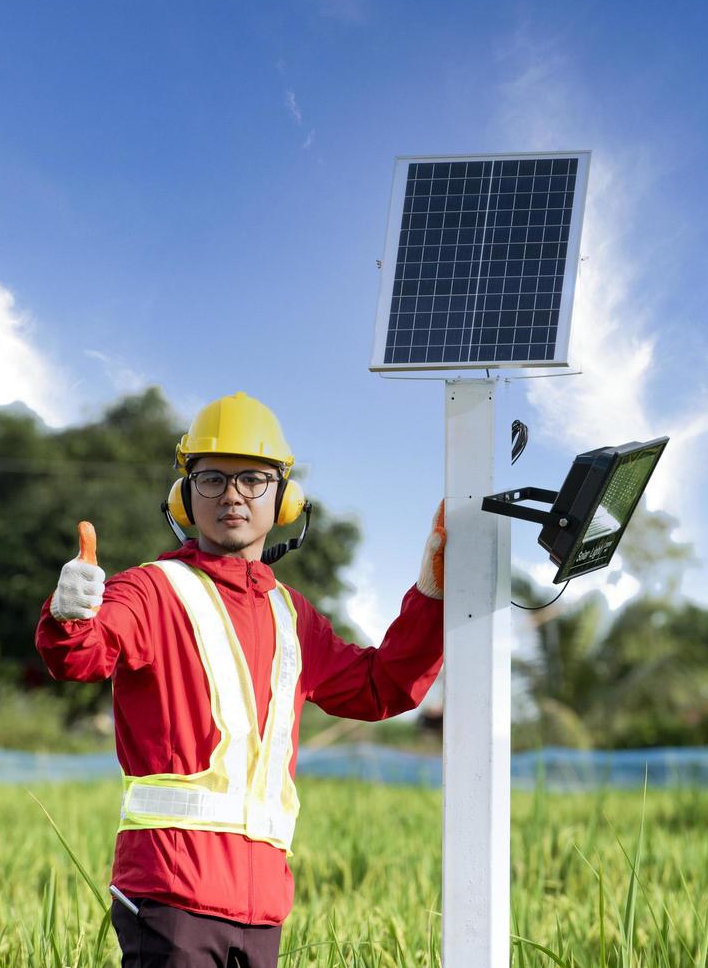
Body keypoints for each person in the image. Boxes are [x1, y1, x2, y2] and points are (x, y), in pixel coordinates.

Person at [36, 391, 445, 967]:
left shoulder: (293, 614)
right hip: (171, 891)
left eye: (253, 478)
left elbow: (381, 687)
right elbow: (82, 654)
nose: (231, 494)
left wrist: (432, 595)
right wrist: (69, 616)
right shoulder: (151, 589)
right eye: (211, 478)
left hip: (263, 905)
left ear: (283, 497)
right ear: (184, 494)